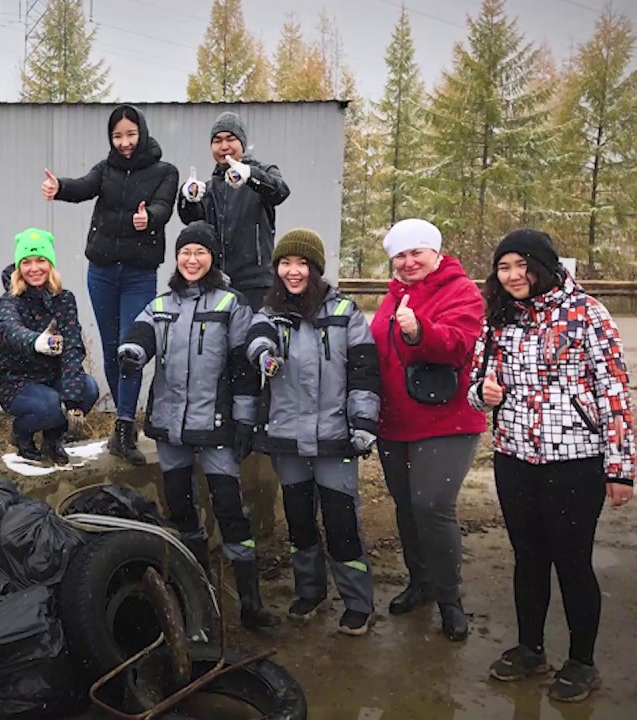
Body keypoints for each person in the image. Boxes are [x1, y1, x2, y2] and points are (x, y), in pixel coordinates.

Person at [469, 229, 636, 703]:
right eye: (504, 267)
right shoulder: (498, 318)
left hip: (575, 461)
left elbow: (615, 391)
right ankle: (530, 648)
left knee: (572, 561)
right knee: (528, 558)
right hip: (514, 456)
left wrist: (620, 467)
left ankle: (581, 661)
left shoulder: (587, 313)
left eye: (522, 265)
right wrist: (483, 394)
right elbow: (476, 385)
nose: (514, 276)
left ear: (544, 265)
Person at [116, 221, 280, 629]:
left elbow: (244, 366)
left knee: (230, 512)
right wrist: (133, 352)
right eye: (185, 252)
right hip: (171, 427)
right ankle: (198, 598)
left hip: (216, 427)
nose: (192, 260)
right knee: (182, 513)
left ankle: (250, 603)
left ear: (212, 259)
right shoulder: (162, 303)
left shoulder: (232, 304)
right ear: (177, 258)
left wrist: (245, 420)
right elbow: (141, 334)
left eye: (200, 253)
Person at [245, 228, 379, 636]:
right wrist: (263, 354)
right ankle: (310, 590)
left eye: (301, 263)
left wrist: (363, 423)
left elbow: (364, 373)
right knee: (299, 521)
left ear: (316, 269)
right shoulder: (270, 314)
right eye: (285, 263)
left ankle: (357, 602)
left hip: (335, 437)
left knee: (342, 523)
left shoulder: (345, 314)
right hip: (288, 439)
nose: (293, 271)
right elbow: (257, 338)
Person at [41, 104, 179, 465]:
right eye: (118, 136)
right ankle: (124, 424)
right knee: (109, 349)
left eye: (130, 134)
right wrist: (60, 188)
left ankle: (124, 424)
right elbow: (84, 187)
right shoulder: (106, 170)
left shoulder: (165, 171)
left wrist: (148, 219)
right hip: (101, 272)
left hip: (139, 274)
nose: (125, 143)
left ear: (142, 133)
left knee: (130, 349)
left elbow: (165, 208)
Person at [369, 219, 486, 642]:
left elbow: (459, 342)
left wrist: (421, 331)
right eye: (400, 255)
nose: (409, 261)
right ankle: (420, 582)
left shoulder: (461, 291)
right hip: (395, 419)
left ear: (436, 252)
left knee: (432, 505)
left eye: (417, 252)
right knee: (406, 505)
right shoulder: (394, 294)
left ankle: (449, 598)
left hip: (446, 418)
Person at [0, 228, 100, 464]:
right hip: (16, 381)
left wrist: (72, 401)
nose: (34, 268)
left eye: (40, 260)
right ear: (19, 267)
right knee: (50, 406)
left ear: (50, 264)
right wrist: (35, 341)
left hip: (52, 376)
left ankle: (53, 439)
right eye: (27, 262)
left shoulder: (65, 299)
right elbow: (7, 329)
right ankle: (22, 434)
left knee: (88, 389)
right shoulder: (10, 300)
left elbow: (72, 346)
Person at [177, 111, 291, 310]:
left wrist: (250, 175)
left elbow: (280, 191)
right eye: (217, 140)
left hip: (256, 282)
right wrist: (187, 197)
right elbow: (191, 220)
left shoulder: (262, 173)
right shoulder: (210, 187)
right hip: (215, 281)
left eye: (230, 139)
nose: (224, 146)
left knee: (255, 337)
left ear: (242, 144)